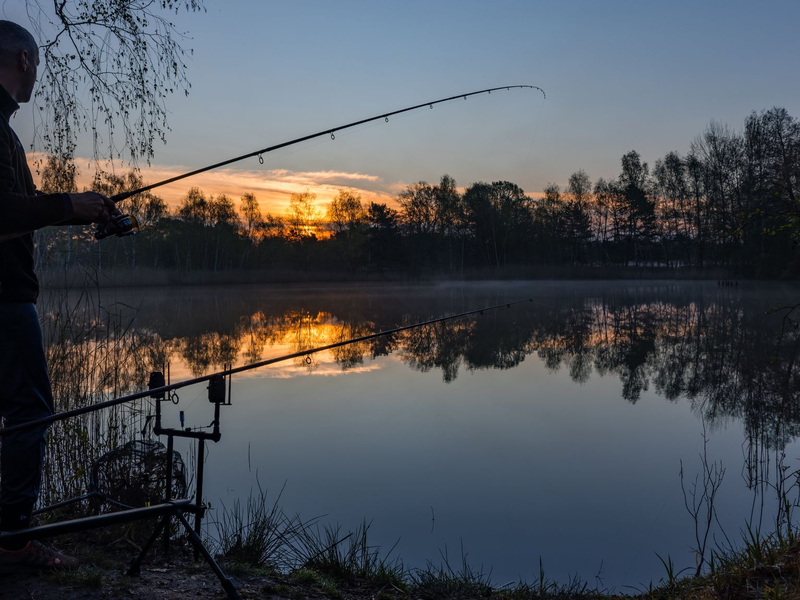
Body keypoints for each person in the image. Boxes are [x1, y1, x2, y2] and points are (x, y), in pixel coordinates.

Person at [0, 20, 114, 570]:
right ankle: (13, 542)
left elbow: (20, 206)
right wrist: (67, 206)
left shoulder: (4, 128)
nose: (37, 77)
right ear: (23, 59)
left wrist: (75, 207)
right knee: (29, 414)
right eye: (36, 66)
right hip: (4, 300)